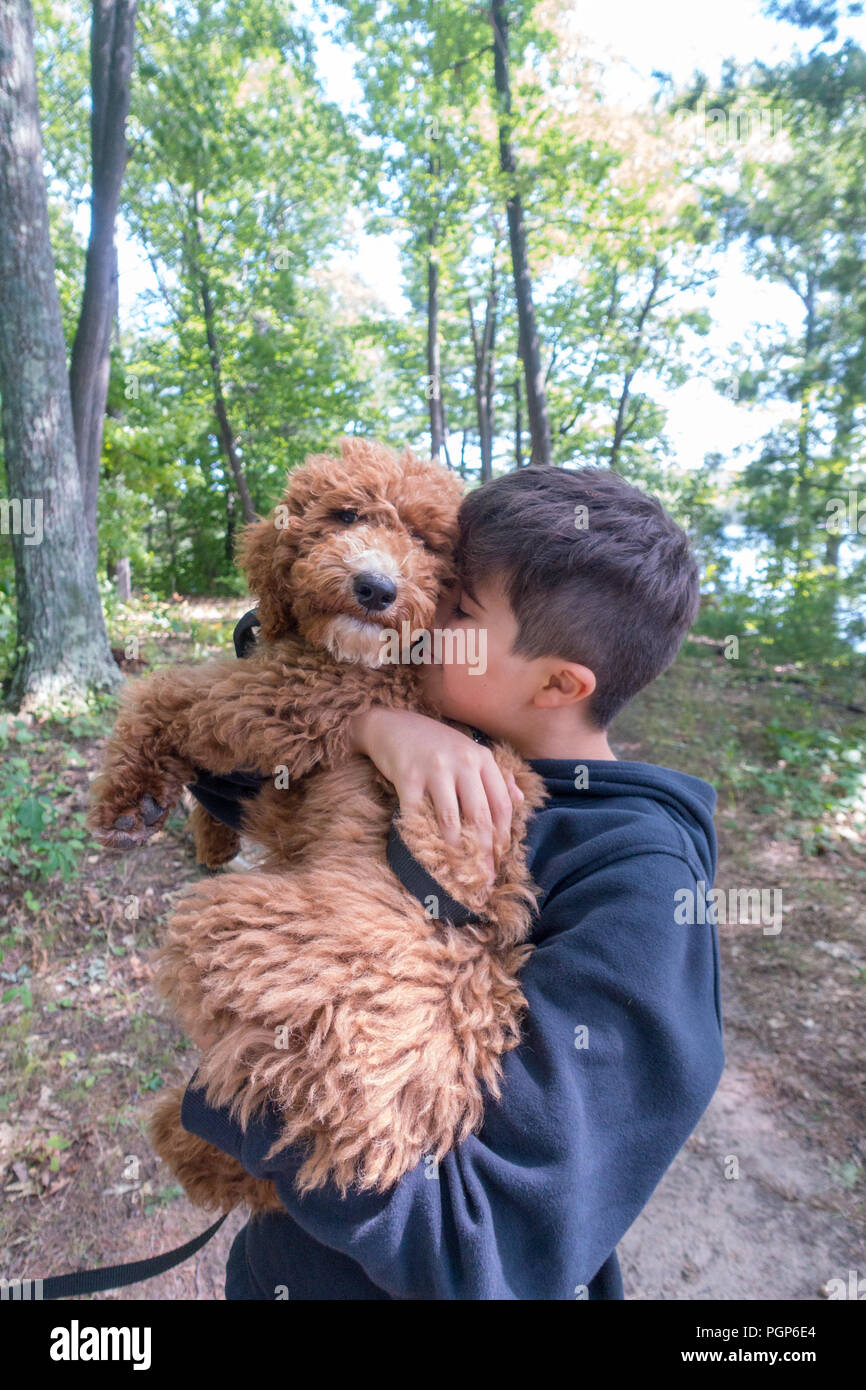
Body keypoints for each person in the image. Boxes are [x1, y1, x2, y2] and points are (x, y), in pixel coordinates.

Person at [180, 465, 725, 1300]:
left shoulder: (641, 889)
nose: (416, 604)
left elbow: (490, 1244)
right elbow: (225, 737)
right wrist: (368, 723)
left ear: (557, 684)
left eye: (460, 608)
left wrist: (268, 1081)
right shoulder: (435, 729)